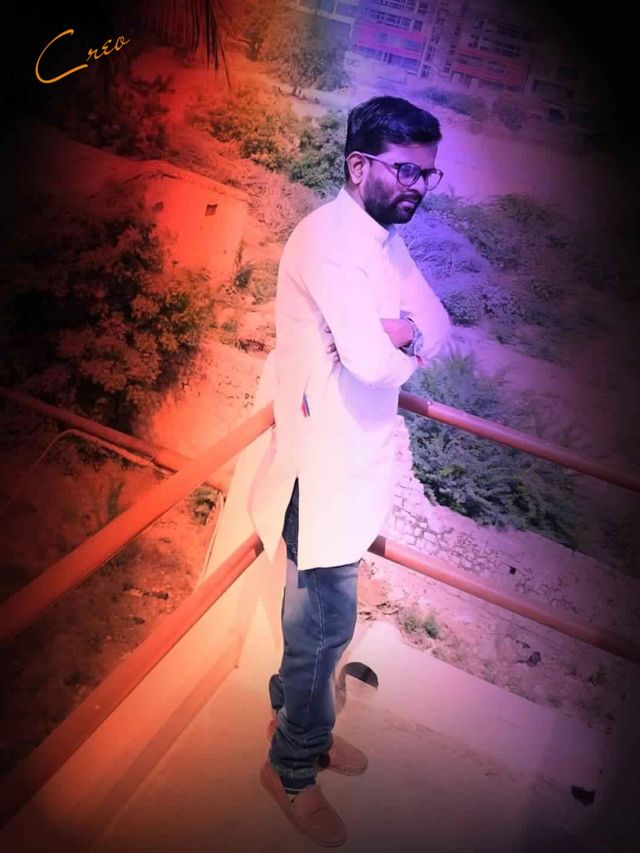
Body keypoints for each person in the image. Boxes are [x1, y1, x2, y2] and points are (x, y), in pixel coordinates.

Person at [248, 95, 452, 846]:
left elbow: (439, 328)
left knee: (323, 631)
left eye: (428, 174)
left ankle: (301, 724)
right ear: (359, 165)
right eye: (406, 170)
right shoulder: (327, 240)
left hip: (355, 466)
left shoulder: (385, 243)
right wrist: (390, 342)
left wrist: (395, 331)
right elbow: (368, 361)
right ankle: (290, 768)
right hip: (320, 475)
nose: (418, 187)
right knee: (322, 632)